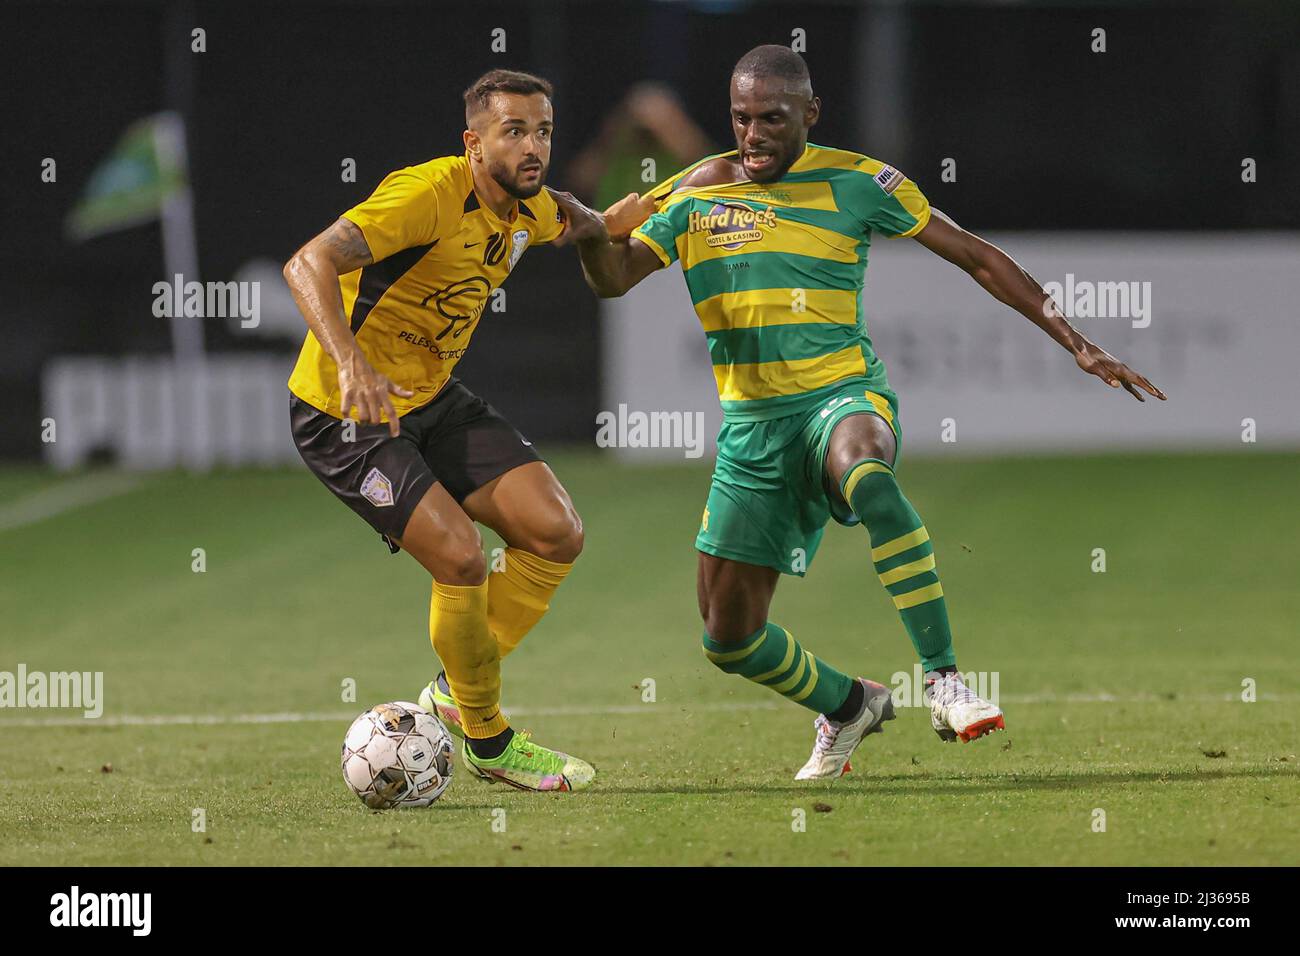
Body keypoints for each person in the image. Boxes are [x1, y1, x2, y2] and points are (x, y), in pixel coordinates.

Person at [553, 45, 1166, 780]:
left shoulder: (858, 180)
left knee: (865, 471)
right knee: (729, 639)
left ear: (811, 114)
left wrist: (1077, 342)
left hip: (842, 394)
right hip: (752, 429)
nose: (754, 136)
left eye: (773, 119)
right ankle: (850, 706)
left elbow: (975, 256)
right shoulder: (693, 191)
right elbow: (615, 280)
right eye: (742, 119)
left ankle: (943, 680)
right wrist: (592, 237)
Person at [282, 69, 602, 792]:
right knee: (460, 557)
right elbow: (308, 262)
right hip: (347, 412)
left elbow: (576, 217)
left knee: (556, 531)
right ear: (473, 141)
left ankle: (455, 694)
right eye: (513, 131)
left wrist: (622, 222)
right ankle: (489, 742)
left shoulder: (527, 209)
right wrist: (353, 364)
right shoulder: (428, 194)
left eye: (543, 131)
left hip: (430, 398)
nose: (532, 146)